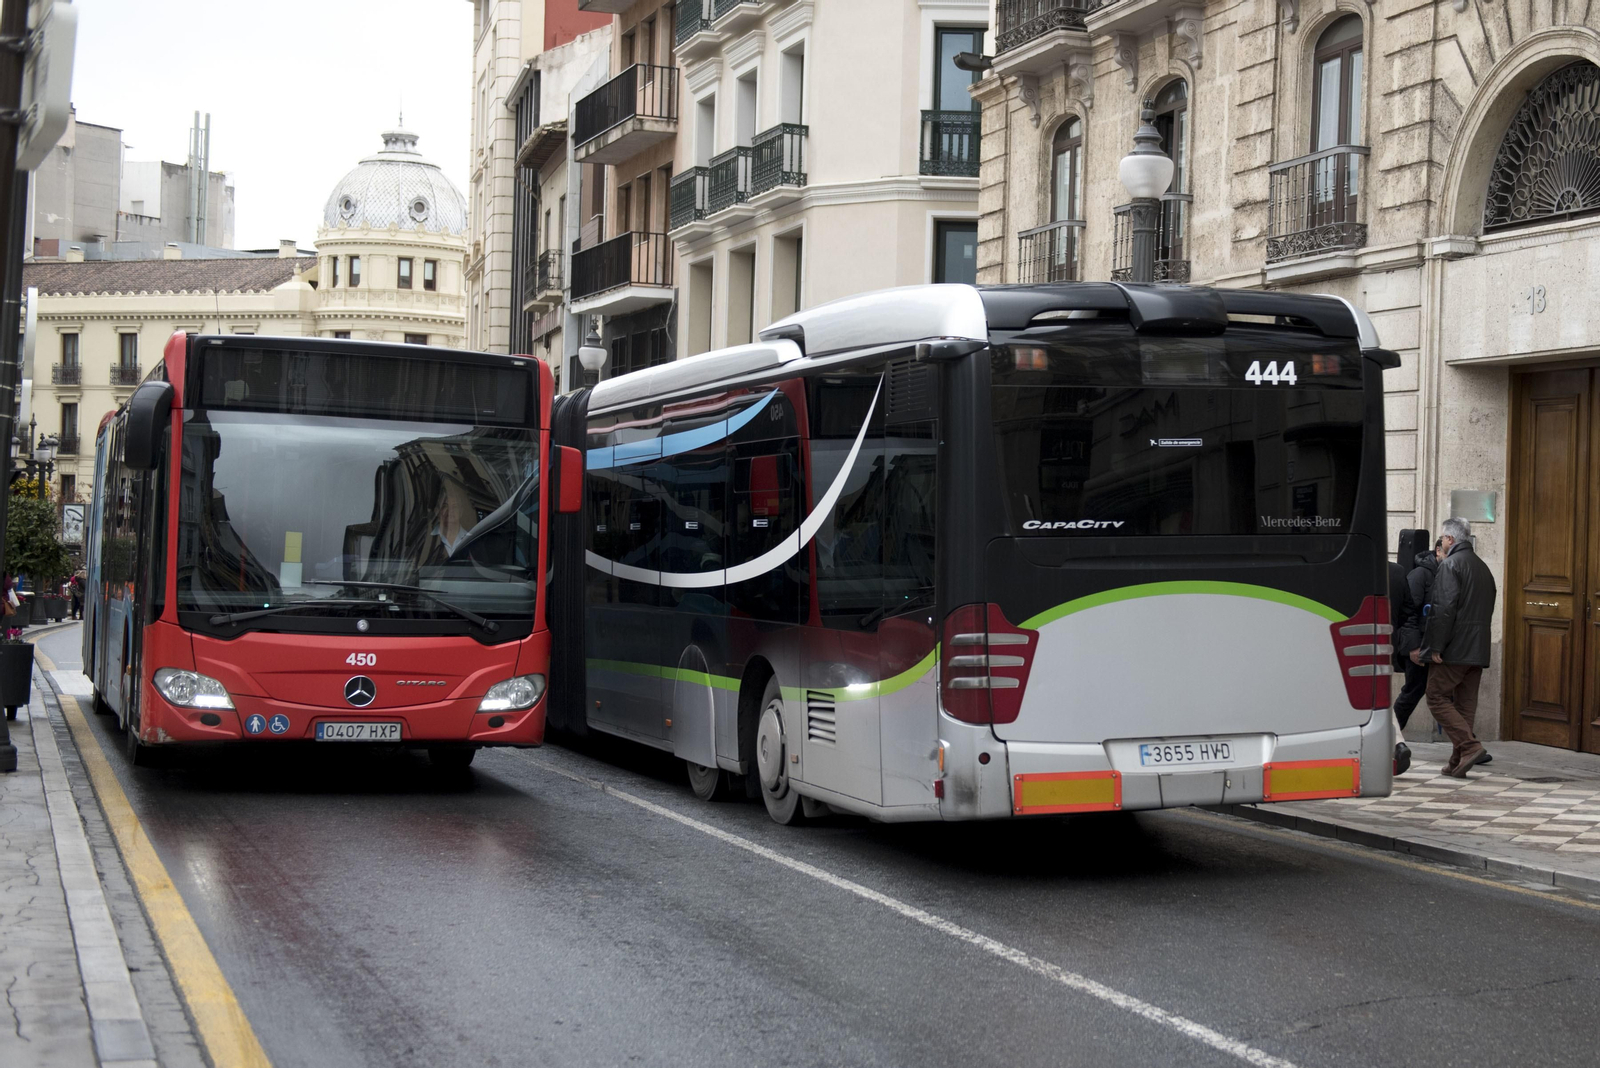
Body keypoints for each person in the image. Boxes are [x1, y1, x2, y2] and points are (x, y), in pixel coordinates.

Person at [1416, 518, 1497, 777]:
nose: (1441, 542)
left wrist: (1434, 647)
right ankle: (1457, 761)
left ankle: (1470, 746)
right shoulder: (1483, 567)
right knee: (1464, 706)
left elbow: (1442, 610)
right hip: (1477, 649)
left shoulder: (1451, 565)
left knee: (1436, 696)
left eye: (1442, 538)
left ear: (1450, 539)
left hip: (1455, 649)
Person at [1390, 538, 1444, 774]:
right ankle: (1394, 742)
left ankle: (1467, 744)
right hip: (1417, 648)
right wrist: (1413, 647)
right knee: (1412, 691)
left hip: (1434, 646)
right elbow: (1409, 614)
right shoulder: (1418, 575)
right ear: (1438, 550)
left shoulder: (1445, 572)